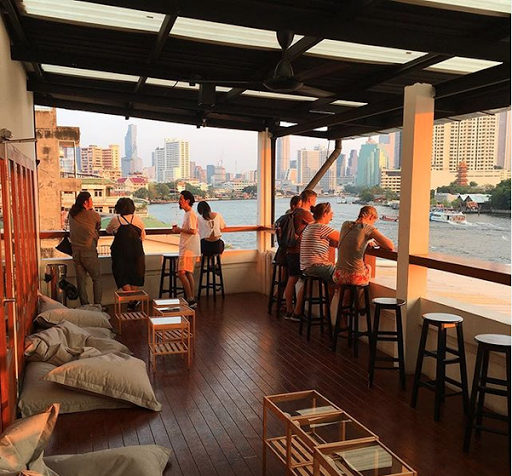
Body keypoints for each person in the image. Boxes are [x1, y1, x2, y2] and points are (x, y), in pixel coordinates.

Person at [333, 205, 394, 287]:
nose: (373, 224)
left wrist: (367, 241)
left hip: (337, 275)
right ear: (371, 217)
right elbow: (390, 246)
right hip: (353, 277)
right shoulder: (367, 228)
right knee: (368, 267)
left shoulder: (346, 224)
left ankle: (345, 295)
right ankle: (359, 295)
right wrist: (377, 243)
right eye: (374, 221)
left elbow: (356, 238)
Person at [106, 198, 146, 311]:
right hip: (137, 253)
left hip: (120, 254)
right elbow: (143, 236)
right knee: (135, 276)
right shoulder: (137, 219)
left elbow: (108, 230)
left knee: (121, 276)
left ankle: (132, 300)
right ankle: (133, 300)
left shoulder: (116, 219)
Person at [283, 190, 317, 320]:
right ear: (310, 200)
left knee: (291, 279)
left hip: (290, 250)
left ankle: (289, 310)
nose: (315, 203)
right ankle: (295, 311)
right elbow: (318, 225)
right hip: (298, 251)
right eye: (314, 200)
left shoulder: (295, 212)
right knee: (295, 280)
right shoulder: (305, 213)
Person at [68, 191, 102, 306]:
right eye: (91, 200)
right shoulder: (94, 215)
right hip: (88, 251)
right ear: (85, 203)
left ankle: (85, 305)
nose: (92, 202)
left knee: (81, 280)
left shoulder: (72, 214)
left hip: (75, 251)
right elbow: (98, 227)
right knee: (96, 278)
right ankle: (97, 305)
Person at [171, 191, 201, 309]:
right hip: (190, 247)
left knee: (181, 273)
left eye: (181, 199)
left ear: (187, 201)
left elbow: (193, 231)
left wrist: (180, 230)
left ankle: (190, 298)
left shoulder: (190, 214)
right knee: (188, 273)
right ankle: (191, 298)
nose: (179, 201)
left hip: (188, 248)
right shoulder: (188, 214)